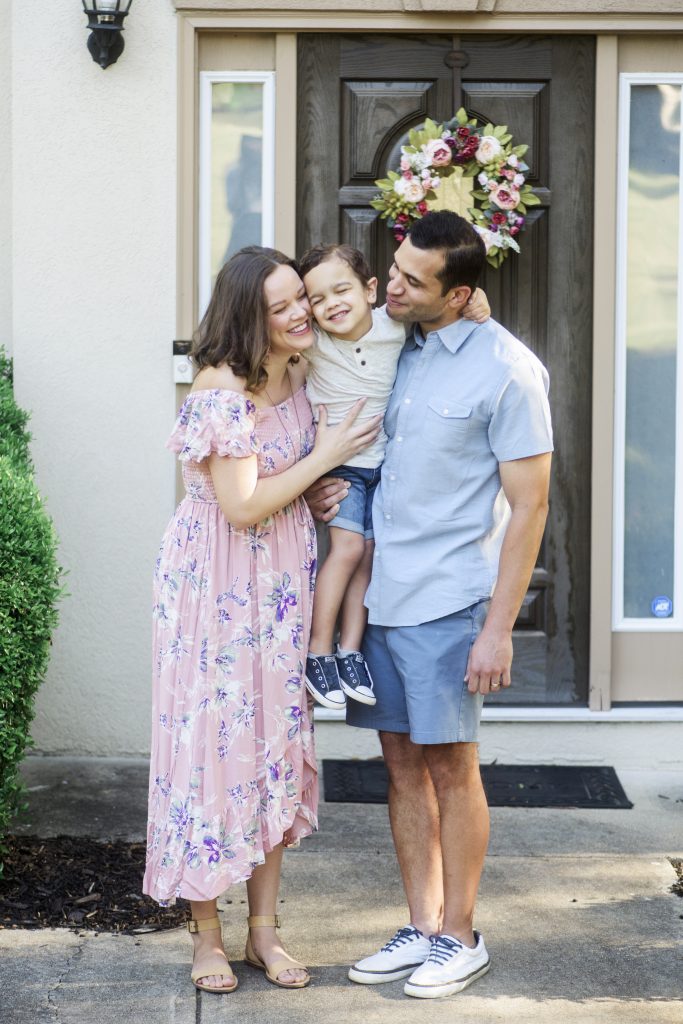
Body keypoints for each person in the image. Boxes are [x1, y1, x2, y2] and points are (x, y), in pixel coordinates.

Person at [307, 211, 553, 1000]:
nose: (392, 288)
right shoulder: (395, 343)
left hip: (448, 601)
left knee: (451, 769)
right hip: (380, 595)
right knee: (400, 768)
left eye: (412, 281)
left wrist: (497, 630)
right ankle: (420, 925)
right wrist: (321, 487)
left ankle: (460, 934)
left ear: (459, 294)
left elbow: (531, 507)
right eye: (394, 271)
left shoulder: (507, 371)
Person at [143, 246, 380, 994]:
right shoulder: (220, 390)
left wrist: (311, 491)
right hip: (214, 588)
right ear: (250, 318)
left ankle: (264, 932)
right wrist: (326, 457)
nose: (301, 313)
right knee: (211, 753)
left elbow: (379, 337)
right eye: (281, 307)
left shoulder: (301, 371)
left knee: (271, 746)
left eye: (299, 299)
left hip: (278, 584)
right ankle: (206, 936)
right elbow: (241, 504)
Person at [298, 243, 489, 711]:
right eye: (317, 299)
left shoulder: (394, 326)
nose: (331, 305)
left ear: (369, 290)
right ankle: (319, 651)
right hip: (340, 467)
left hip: (381, 467)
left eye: (341, 290)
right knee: (347, 550)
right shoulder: (313, 344)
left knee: (368, 555)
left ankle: (350, 651)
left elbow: (441, 310)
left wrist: (478, 301)